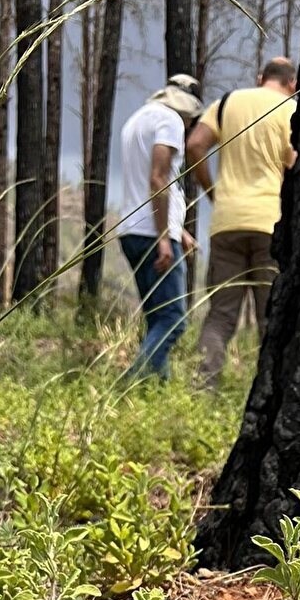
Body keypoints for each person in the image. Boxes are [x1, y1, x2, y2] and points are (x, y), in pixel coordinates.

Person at [185, 58, 297, 388]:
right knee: (270, 318)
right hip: (270, 224)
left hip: (227, 222)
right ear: (291, 83)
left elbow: (194, 145)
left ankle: (202, 394)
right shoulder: (290, 109)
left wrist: (213, 192)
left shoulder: (227, 104)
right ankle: (269, 395)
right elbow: (294, 161)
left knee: (220, 316)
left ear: (260, 77)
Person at [117, 73, 203, 382]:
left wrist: (178, 230)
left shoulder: (137, 119)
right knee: (173, 318)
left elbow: (145, 184)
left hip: (131, 231)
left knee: (157, 318)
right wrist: (166, 237)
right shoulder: (170, 121)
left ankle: (157, 390)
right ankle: (130, 382)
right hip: (154, 234)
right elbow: (158, 179)